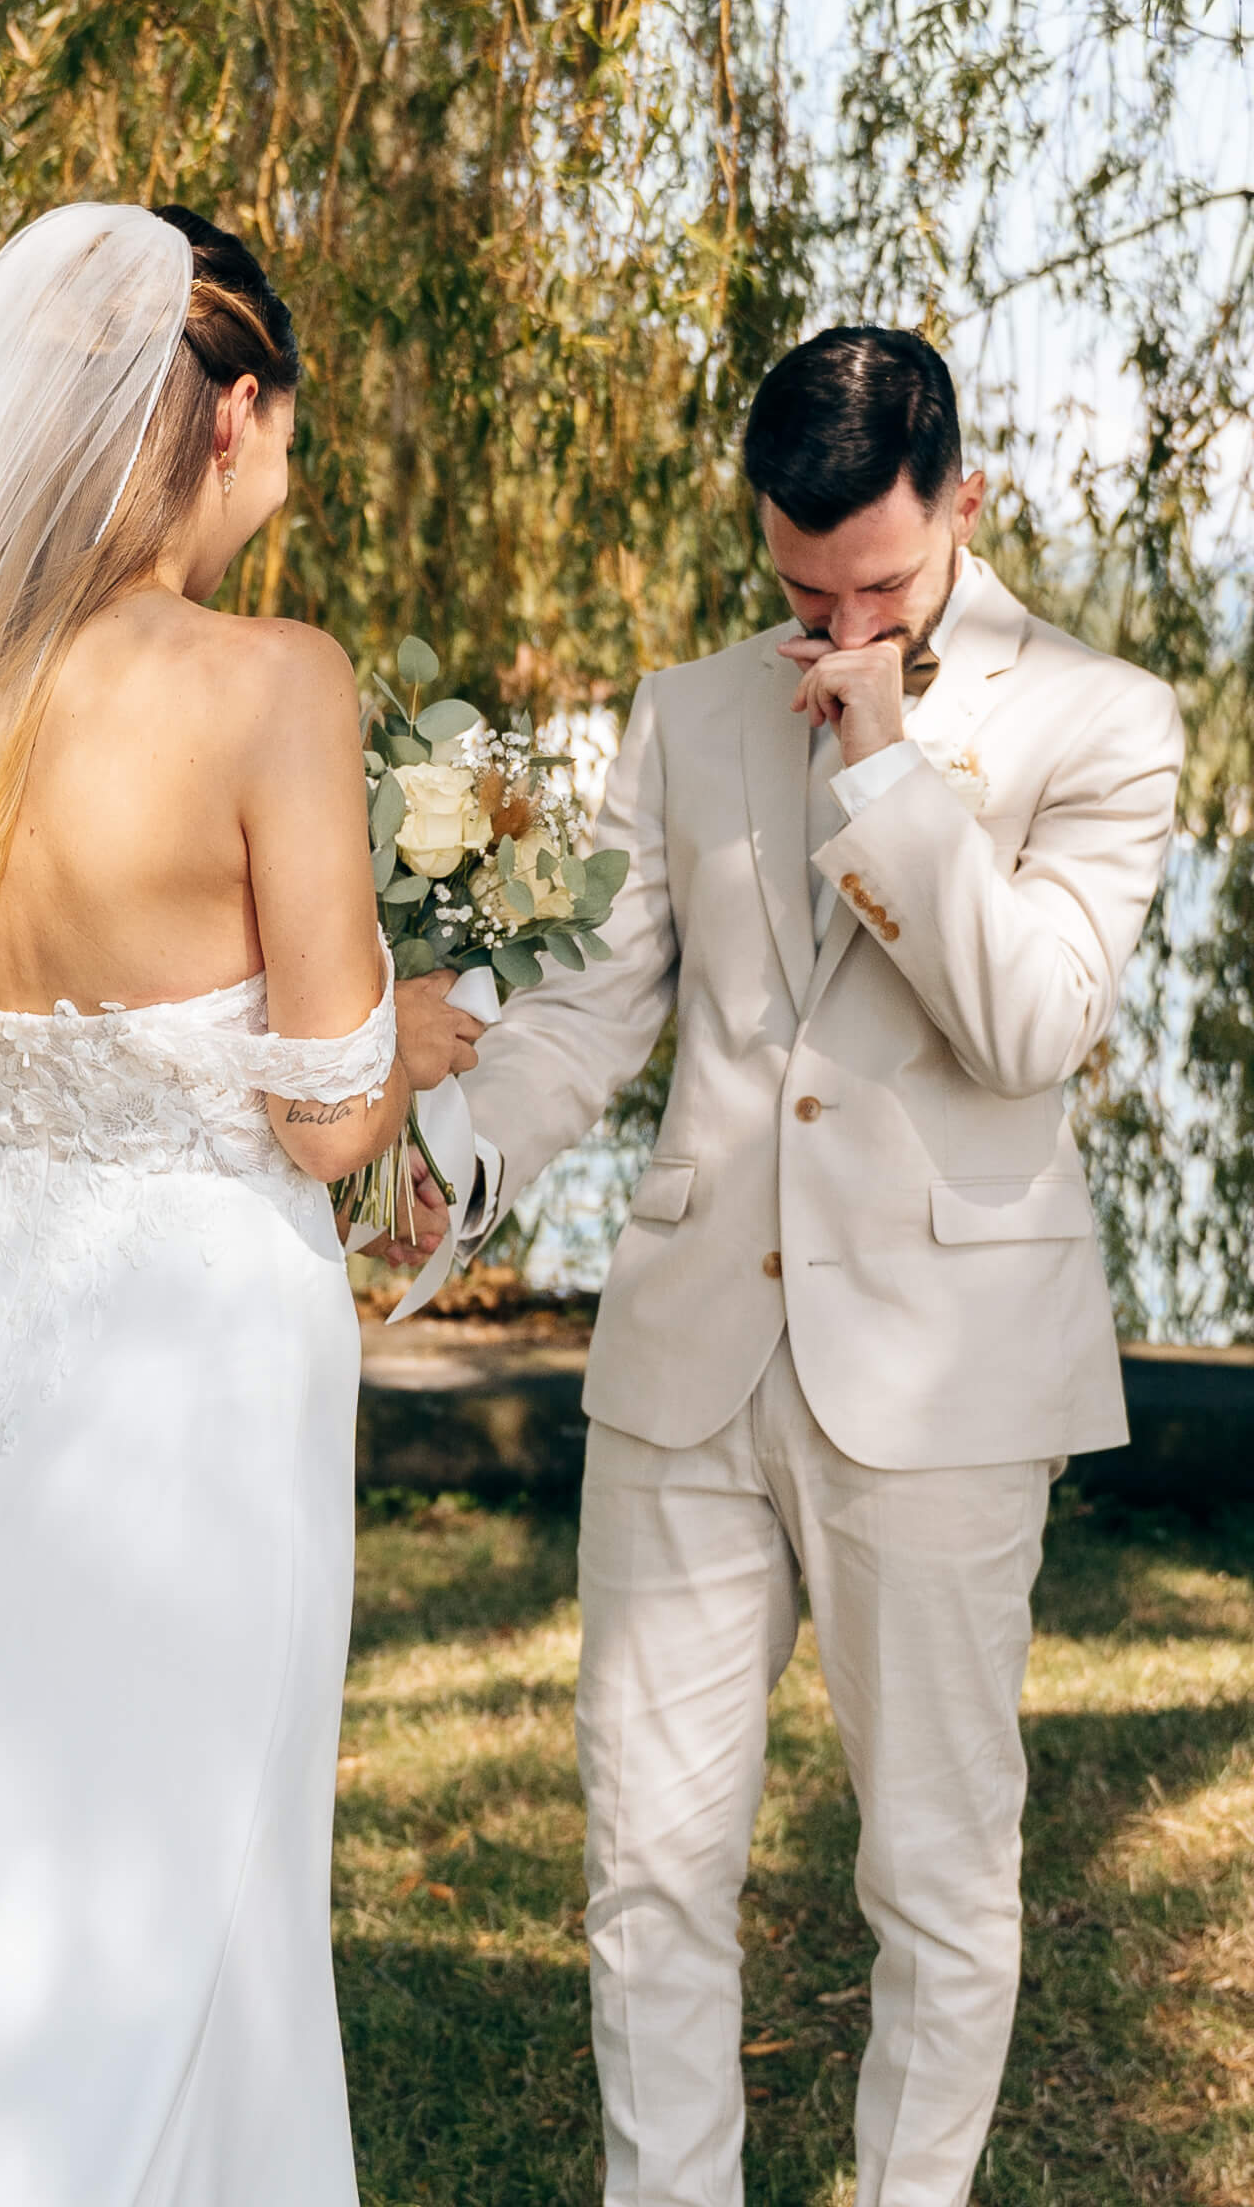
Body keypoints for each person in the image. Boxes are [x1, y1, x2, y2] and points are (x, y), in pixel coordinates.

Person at [0, 201, 480, 2207]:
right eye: (288, 422)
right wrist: (413, 1038)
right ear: (233, 415)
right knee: (177, 1887)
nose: (290, 460)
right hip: (186, 1355)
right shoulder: (270, 683)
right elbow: (323, 1115)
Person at [450, 328, 1184, 2207]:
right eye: (798, 587)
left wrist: (886, 774)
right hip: (688, 1363)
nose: (835, 622)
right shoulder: (687, 711)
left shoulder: (1105, 722)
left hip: (944, 1378)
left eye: (875, 583)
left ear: (965, 500)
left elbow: (1031, 1025)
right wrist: (437, 1172)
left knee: (934, 1870)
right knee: (648, 1859)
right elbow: (590, 1016)